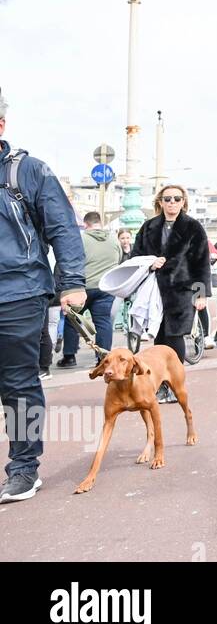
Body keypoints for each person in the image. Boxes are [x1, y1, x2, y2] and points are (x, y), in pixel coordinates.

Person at [0, 93, 87, 503]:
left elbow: (64, 229)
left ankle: (24, 467)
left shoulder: (28, 172)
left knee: (17, 382)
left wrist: (72, 281)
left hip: (18, 292)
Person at [129, 185, 211, 401]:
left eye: (177, 198)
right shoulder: (148, 227)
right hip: (154, 290)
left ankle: (175, 385)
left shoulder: (193, 227)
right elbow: (134, 257)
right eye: (167, 199)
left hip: (182, 290)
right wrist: (150, 262)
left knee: (175, 337)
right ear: (160, 202)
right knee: (159, 339)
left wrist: (201, 294)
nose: (172, 202)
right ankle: (161, 385)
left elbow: (201, 263)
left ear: (183, 201)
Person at [59, 211, 122, 366]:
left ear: (86, 224)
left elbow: (72, 260)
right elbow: (119, 259)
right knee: (103, 322)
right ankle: (103, 358)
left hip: (83, 287)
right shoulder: (114, 240)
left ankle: (69, 356)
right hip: (105, 288)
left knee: (72, 320)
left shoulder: (81, 238)